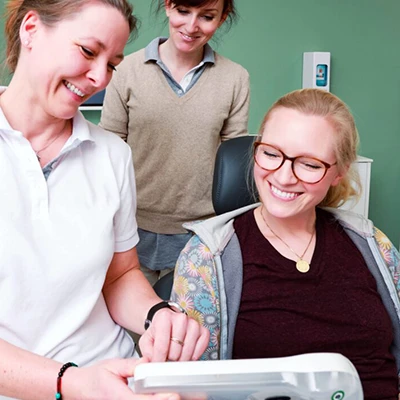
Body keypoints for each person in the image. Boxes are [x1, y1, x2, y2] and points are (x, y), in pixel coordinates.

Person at [0, 1, 209, 400]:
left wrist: (157, 315)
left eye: (112, 64)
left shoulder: (112, 155)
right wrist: (72, 383)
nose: (100, 78)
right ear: (31, 29)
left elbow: (119, 275)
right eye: (88, 51)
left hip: (112, 376)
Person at [170, 88, 400, 399]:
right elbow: (190, 384)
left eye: (310, 164)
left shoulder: (372, 245)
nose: (284, 177)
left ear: (339, 172)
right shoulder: (208, 257)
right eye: (271, 154)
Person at [100, 0, 250, 286]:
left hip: (201, 234)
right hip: (131, 228)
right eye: (183, 11)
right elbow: (109, 148)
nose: (191, 26)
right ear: (168, 6)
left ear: (222, 18)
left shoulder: (235, 78)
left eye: (207, 16)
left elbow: (233, 163)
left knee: (187, 317)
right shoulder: (126, 70)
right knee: (132, 314)